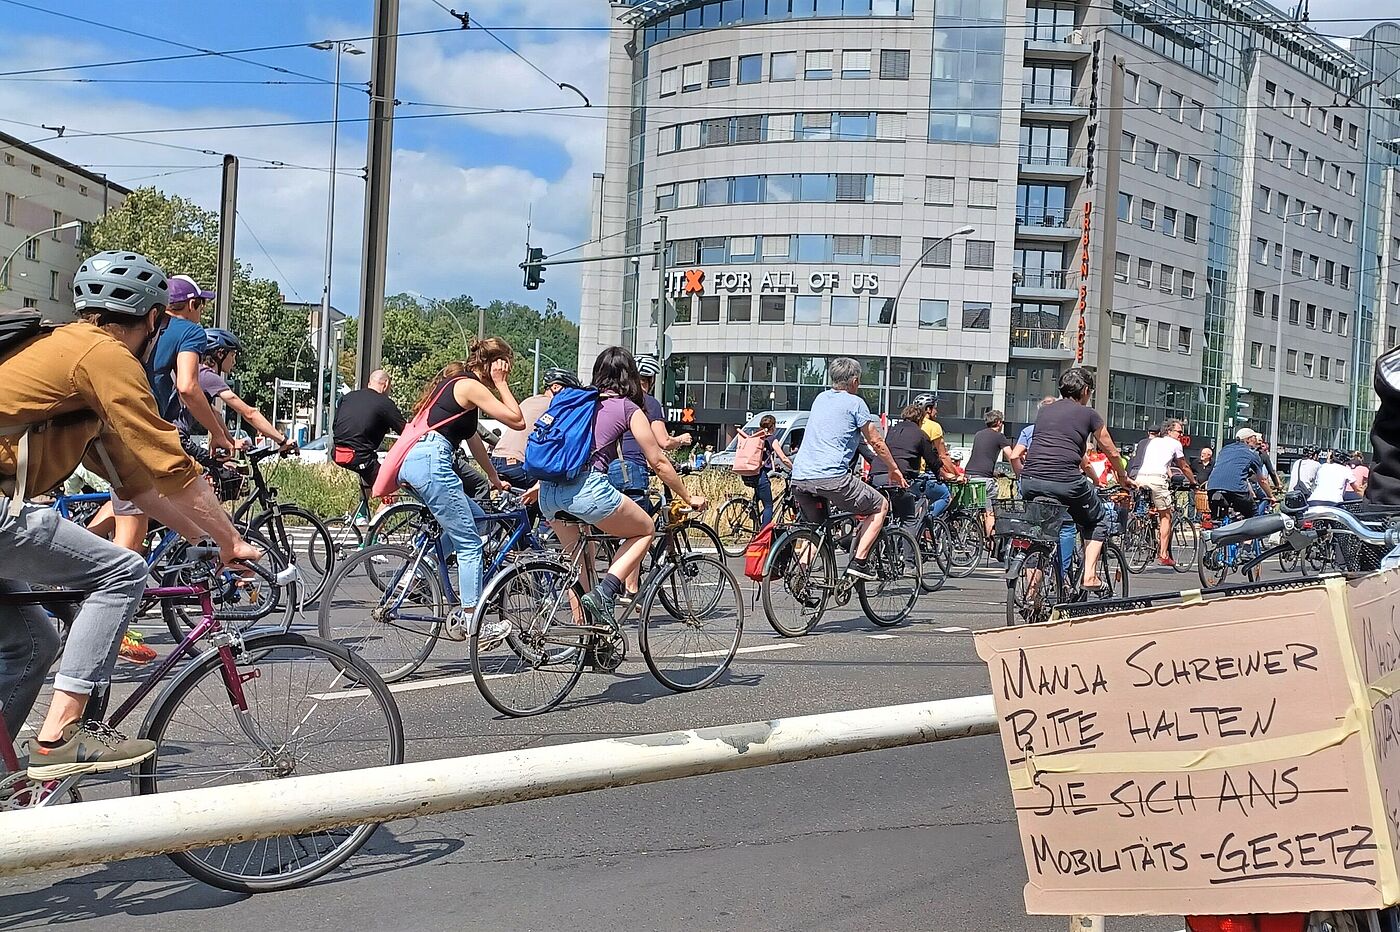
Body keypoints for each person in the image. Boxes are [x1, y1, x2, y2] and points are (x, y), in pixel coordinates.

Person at [0, 250, 261, 779]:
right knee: (123, 570)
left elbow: (140, 484)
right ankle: (59, 738)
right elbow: (174, 464)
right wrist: (233, 542)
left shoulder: (66, 355)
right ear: (152, 318)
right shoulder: (104, 356)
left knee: (34, 642)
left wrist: (201, 540)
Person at [535, 347, 706, 633]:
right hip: (586, 490)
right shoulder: (628, 408)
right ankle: (608, 591)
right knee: (644, 529)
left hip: (549, 494)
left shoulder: (575, 401)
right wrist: (688, 496)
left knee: (581, 561)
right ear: (631, 376)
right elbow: (659, 461)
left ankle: (589, 638)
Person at [90, 273, 235, 553]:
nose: (201, 312)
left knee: (131, 512)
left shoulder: (135, 330)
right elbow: (188, 388)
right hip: (140, 437)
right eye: (201, 305)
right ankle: (89, 589)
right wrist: (219, 436)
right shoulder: (190, 333)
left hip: (107, 426)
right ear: (192, 304)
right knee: (130, 544)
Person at [397, 340, 525, 643]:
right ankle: (473, 622)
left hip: (416, 462)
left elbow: (473, 440)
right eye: (506, 365)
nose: (507, 371)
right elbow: (517, 421)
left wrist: (493, 477)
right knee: (470, 546)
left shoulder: (455, 385)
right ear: (497, 363)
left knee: (479, 518)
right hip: (433, 464)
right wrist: (501, 384)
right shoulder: (470, 385)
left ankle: (419, 569)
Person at [789, 358, 906, 580]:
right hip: (833, 478)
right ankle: (859, 562)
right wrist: (894, 469)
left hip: (800, 478)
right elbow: (876, 441)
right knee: (880, 505)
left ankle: (800, 577)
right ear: (854, 381)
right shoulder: (855, 403)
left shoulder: (820, 398)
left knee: (817, 529)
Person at [1019, 367, 1130, 590]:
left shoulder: (1045, 412)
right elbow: (1111, 451)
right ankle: (1089, 575)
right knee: (1097, 519)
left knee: (1039, 534)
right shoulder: (1088, 414)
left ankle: (1032, 594)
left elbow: (1069, 450)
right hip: (1064, 481)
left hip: (1029, 479)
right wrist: (1122, 476)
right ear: (1086, 391)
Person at [182, 328, 297, 457]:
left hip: (175, 436)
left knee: (225, 470)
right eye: (232, 355)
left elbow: (214, 413)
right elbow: (249, 412)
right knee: (217, 472)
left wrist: (232, 441)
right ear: (220, 354)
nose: (234, 361)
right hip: (179, 438)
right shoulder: (209, 377)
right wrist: (282, 440)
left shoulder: (198, 373)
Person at [608, 354, 691, 508]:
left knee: (614, 525)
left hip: (607, 467)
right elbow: (664, 442)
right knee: (642, 528)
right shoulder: (649, 403)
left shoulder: (615, 400)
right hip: (631, 471)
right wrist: (681, 440)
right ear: (651, 380)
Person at [868, 403, 954, 534]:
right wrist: (940, 476)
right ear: (920, 419)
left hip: (876, 476)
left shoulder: (893, 430)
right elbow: (932, 461)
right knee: (909, 518)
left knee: (884, 510)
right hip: (899, 478)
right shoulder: (920, 434)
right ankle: (909, 554)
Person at [491, 367, 580, 488]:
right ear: (556, 387)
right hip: (519, 463)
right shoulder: (555, 407)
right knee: (554, 493)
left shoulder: (529, 400)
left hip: (497, 460)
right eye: (571, 391)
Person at [1132, 418, 1197, 567]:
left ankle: (1145, 527)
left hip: (1141, 477)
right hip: (1157, 479)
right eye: (1179, 431)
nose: (1181, 434)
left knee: (1149, 507)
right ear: (1169, 431)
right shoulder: (1175, 444)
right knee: (1166, 516)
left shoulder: (1153, 441)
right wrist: (1193, 482)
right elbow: (1183, 465)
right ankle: (1163, 554)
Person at [332, 369, 406, 499]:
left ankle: (361, 518)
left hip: (337, 452)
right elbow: (405, 432)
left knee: (368, 475)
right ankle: (375, 520)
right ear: (386, 384)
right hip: (360, 456)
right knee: (391, 494)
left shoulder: (348, 397)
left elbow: (335, 425)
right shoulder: (384, 403)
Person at [1206, 427, 1275, 520]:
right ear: (1248, 440)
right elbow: (1262, 480)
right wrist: (1271, 496)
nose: (1256, 441)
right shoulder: (1252, 453)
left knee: (1215, 519)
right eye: (1254, 438)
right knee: (1253, 516)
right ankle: (1254, 534)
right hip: (1235, 489)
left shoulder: (1225, 449)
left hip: (1212, 487)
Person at [966, 409, 1016, 538]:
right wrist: (1018, 470)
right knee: (990, 512)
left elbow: (981, 456)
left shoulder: (978, 434)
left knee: (976, 506)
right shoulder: (999, 436)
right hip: (984, 479)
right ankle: (990, 542)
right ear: (999, 422)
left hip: (969, 474)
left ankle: (972, 529)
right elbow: (1011, 456)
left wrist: (993, 472)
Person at [739, 414, 793, 526]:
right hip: (760, 475)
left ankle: (753, 513)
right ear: (773, 426)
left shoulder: (755, 437)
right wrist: (794, 468)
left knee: (758, 498)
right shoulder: (771, 439)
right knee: (768, 506)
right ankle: (763, 536)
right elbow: (783, 458)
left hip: (748, 473)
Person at [910, 393, 954, 518]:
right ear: (928, 409)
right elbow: (943, 456)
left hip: (907, 474)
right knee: (945, 496)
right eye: (935, 407)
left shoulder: (912, 424)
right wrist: (956, 475)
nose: (937, 411)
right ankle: (925, 523)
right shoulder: (933, 426)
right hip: (922, 474)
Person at [1010, 396, 1056, 468]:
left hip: (1033, 474)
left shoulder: (1028, 431)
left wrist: (1020, 475)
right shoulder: (1066, 431)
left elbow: (1014, 456)